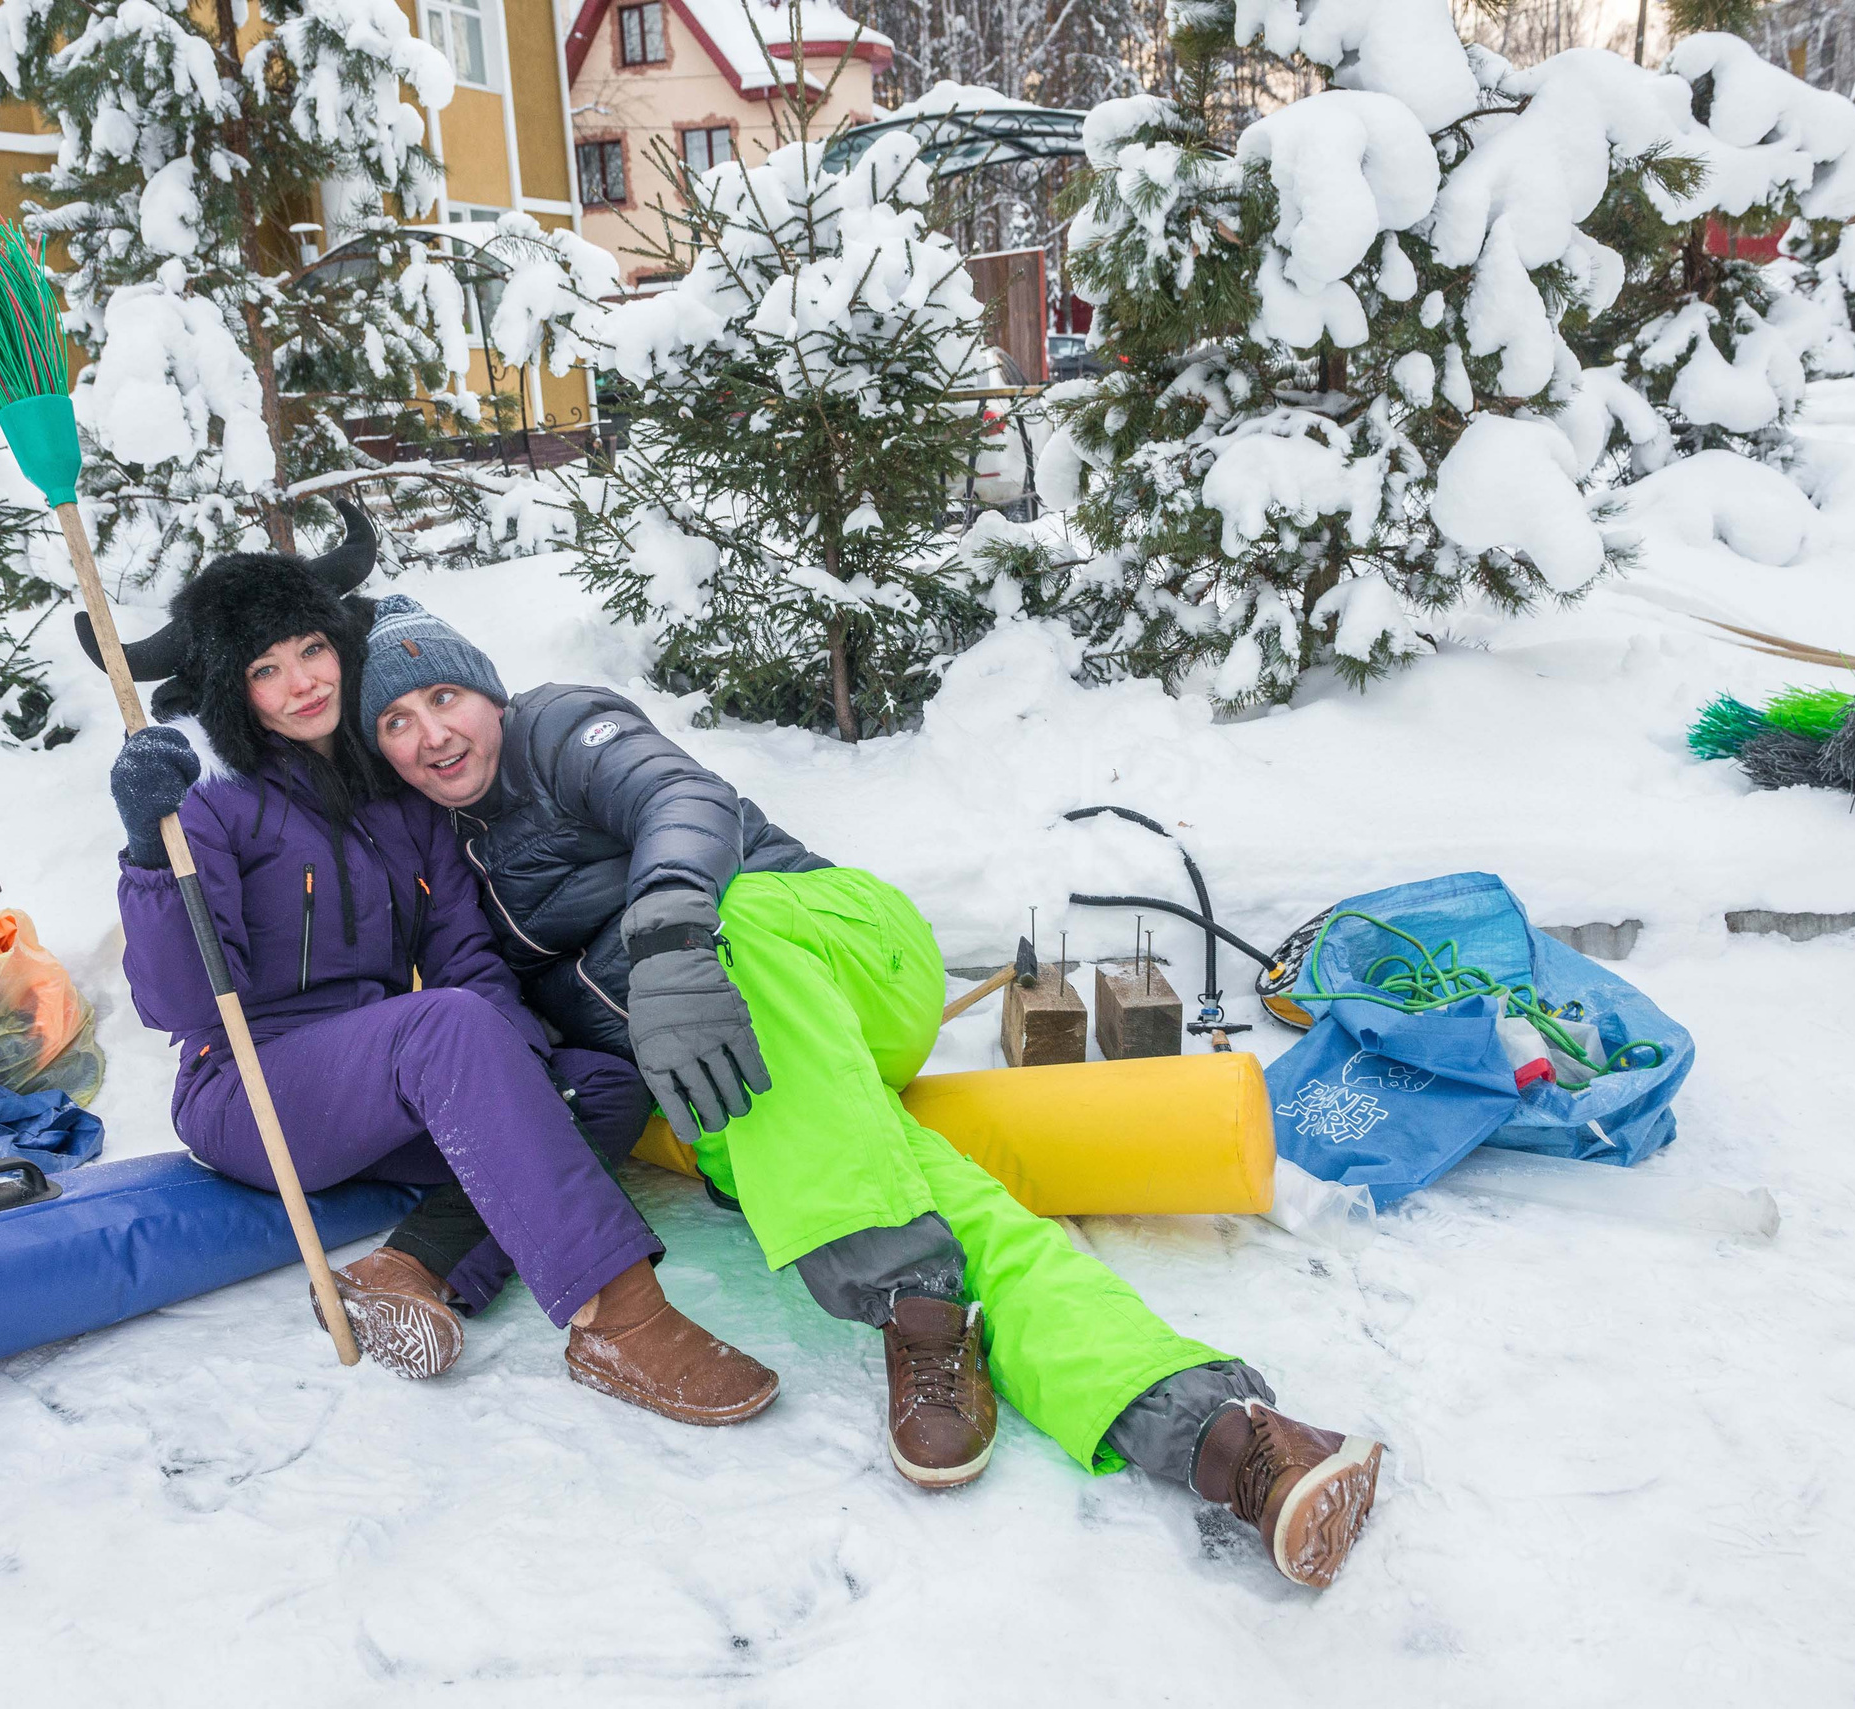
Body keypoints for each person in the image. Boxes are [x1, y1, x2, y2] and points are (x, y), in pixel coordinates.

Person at [361, 595, 1387, 1590]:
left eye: (444, 697)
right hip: (756, 1064)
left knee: (740, 925)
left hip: (845, 953)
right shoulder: (445, 867)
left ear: (490, 694)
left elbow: (681, 798)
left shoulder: (554, 729)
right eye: (396, 723)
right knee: (956, 1210)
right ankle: (1228, 1439)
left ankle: (910, 1296)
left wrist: (671, 938)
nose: (429, 734)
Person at [103, 550, 776, 1427]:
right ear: (236, 691)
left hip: (386, 1080)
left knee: (598, 1081)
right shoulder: (211, 805)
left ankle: (408, 1271)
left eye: (312, 648)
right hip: (252, 1090)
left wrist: (528, 1073)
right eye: (265, 669)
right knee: (446, 1026)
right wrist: (152, 852)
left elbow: (467, 959)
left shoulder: (401, 805)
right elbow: (182, 1004)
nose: (302, 682)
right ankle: (620, 1317)